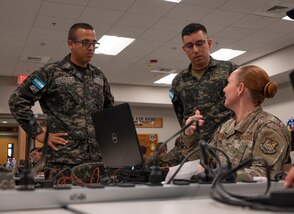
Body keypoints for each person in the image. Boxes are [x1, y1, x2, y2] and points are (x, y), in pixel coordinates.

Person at [9, 23, 114, 180]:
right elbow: (17, 101)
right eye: (85, 43)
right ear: (70, 44)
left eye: (94, 43)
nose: (91, 48)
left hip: (96, 161)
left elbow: (108, 111)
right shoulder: (50, 73)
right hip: (62, 161)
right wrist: (39, 134)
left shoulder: (99, 77)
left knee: (94, 204)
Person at [184, 65, 290, 181]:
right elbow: (204, 161)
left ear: (240, 88)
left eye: (228, 83)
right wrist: (190, 134)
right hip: (221, 195)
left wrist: (219, 176)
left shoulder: (269, 127)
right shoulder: (225, 127)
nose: (224, 89)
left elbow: (263, 173)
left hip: (251, 197)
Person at [170, 23, 238, 159]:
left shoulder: (230, 70)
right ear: (184, 49)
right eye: (190, 46)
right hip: (196, 152)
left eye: (200, 43)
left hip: (227, 149)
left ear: (209, 43)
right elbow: (181, 118)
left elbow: (244, 108)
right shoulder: (178, 81)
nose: (195, 50)